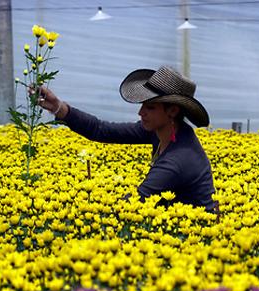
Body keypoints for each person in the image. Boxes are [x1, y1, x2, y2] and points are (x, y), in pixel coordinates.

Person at [34, 65, 218, 213]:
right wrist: (58, 108)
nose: (140, 112)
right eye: (142, 105)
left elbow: (136, 202)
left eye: (150, 107)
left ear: (173, 111)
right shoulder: (163, 132)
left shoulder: (178, 158)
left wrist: (86, 207)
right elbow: (101, 130)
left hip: (198, 241)